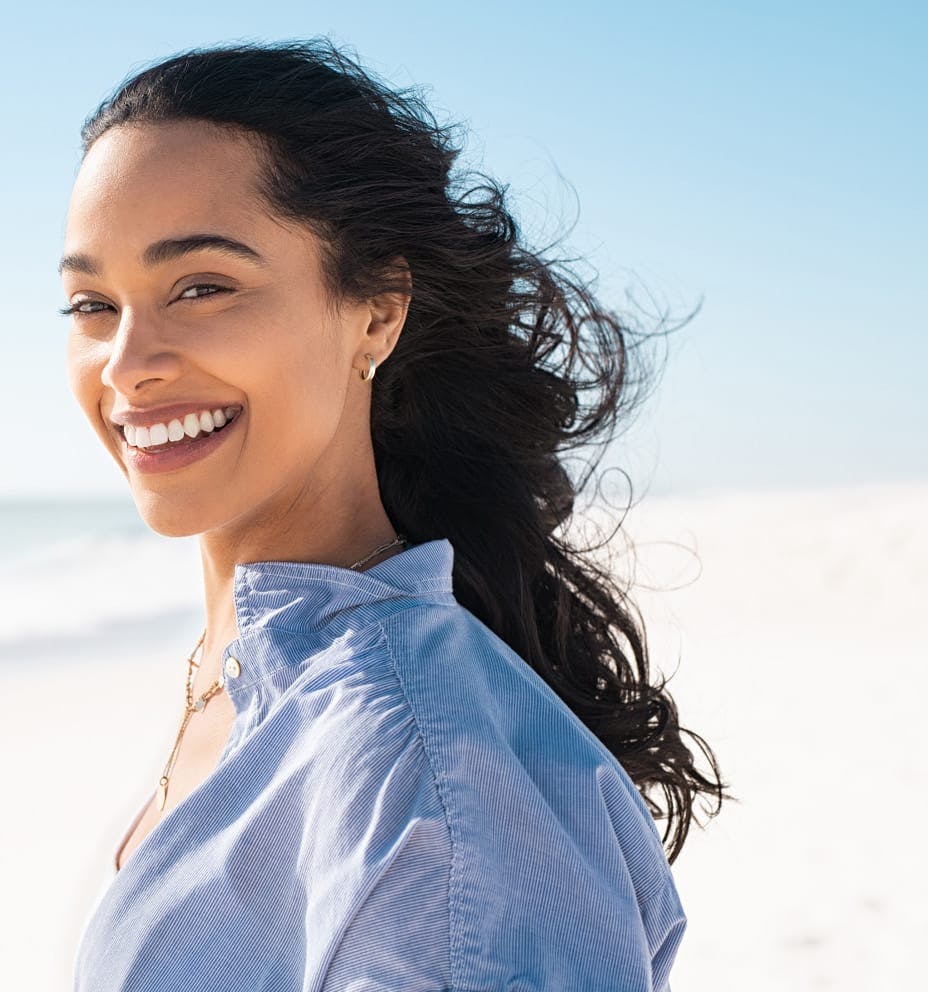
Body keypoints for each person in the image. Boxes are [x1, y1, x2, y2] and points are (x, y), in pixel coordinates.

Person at [59, 39, 729, 992]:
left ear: (376, 311)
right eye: (92, 303)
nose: (127, 364)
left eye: (200, 287)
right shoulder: (249, 670)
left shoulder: (429, 792)